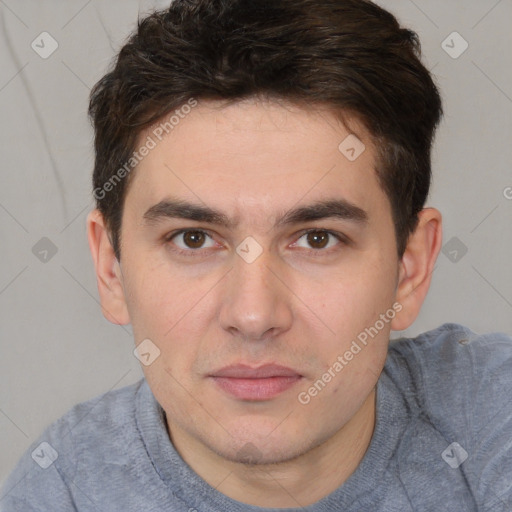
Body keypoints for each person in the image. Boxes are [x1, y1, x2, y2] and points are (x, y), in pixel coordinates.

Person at [2, 0, 511, 510]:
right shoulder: (61, 491)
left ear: (410, 268)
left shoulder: (488, 412)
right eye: (193, 239)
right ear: (111, 268)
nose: (253, 315)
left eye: (317, 239)